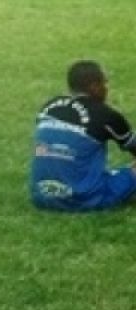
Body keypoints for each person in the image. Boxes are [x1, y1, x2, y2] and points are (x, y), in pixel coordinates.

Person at [30, 60, 136, 211]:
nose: (107, 88)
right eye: (104, 83)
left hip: (42, 196)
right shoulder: (106, 114)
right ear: (94, 86)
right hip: (84, 199)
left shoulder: (48, 107)